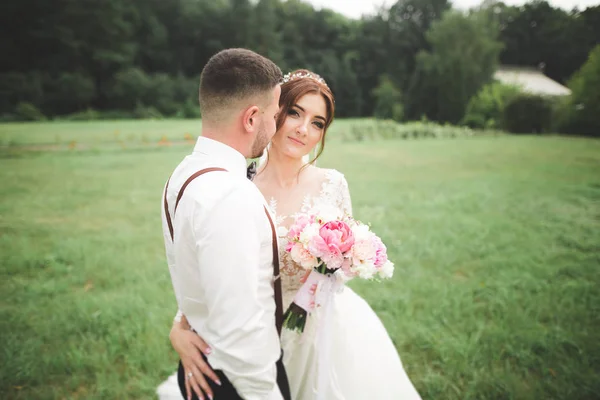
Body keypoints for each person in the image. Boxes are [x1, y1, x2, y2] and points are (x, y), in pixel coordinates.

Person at [168, 69, 422, 399]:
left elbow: (338, 273)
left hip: (316, 330)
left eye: (317, 123)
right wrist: (179, 325)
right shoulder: (240, 185)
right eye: (295, 113)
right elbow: (211, 265)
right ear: (276, 113)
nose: (304, 129)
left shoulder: (333, 184)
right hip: (256, 328)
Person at [161, 48, 291, 400]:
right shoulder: (230, 196)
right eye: (274, 114)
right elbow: (241, 331)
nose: (276, 124)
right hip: (233, 383)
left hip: (202, 364)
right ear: (251, 118)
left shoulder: (184, 173)